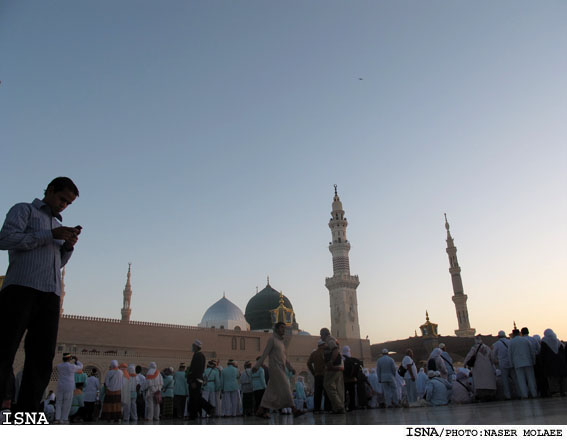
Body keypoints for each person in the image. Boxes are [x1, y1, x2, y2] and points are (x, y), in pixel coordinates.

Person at [0, 177, 81, 412]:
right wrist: (49, 235)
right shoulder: (24, 210)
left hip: (50, 294)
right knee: (5, 350)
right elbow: (5, 239)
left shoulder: (57, 224)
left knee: (41, 360)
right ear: (50, 190)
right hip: (21, 288)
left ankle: (27, 416)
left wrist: (67, 246)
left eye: (69, 203)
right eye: (62, 199)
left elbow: (58, 263)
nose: (63, 205)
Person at [253, 322, 304, 418]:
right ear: (276, 329)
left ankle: (260, 410)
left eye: (284, 328)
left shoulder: (281, 342)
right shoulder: (272, 340)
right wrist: (257, 366)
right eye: (281, 328)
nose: (283, 330)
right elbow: (265, 354)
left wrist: (290, 368)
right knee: (286, 387)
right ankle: (294, 409)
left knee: (270, 391)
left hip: (281, 368)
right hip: (275, 369)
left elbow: (285, 358)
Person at [187, 340, 215, 420]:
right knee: (194, 398)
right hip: (197, 379)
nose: (192, 347)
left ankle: (209, 408)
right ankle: (193, 415)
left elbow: (196, 369)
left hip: (195, 380)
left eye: (193, 346)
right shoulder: (198, 355)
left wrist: (192, 380)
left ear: (196, 346)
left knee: (196, 398)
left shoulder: (198, 356)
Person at [320, 327, 345, 414]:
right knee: (338, 387)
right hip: (339, 367)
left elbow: (335, 350)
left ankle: (339, 406)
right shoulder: (333, 339)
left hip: (333, 367)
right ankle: (339, 407)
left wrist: (331, 361)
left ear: (324, 334)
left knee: (327, 385)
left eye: (321, 335)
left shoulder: (329, 340)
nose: (320, 337)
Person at [464, 335, 496, 401]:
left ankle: (481, 396)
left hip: (478, 368)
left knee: (480, 382)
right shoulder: (487, 348)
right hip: (488, 367)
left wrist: (465, 363)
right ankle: (490, 395)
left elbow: (469, 356)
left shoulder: (474, 348)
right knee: (488, 381)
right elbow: (492, 358)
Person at [508, 328, 537, 399]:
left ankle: (524, 395)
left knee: (521, 380)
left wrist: (511, 364)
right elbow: (531, 351)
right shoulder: (525, 340)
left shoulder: (511, 342)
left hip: (517, 363)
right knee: (531, 379)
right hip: (528, 362)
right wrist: (533, 361)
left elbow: (509, 354)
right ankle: (534, 394)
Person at [55, 354, 83, 423]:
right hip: (69, 387)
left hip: (60, 386)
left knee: (59, 402)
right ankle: (64, 418)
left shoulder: (59, 366)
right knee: (67, 403)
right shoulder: (71, 366)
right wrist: (77, 360)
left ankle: (57, 418)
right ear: (69, 359)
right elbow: (80, 367)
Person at [539, 329, 567, 396]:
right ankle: (564, 391)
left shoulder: (544, 342)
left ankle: (555, 392)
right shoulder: (558, 341)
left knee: (553, 378)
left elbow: (542, 354)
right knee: (562, 378)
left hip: (550, 363)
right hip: (561, 362)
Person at [306, 340, 331, 412]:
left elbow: (308, 363)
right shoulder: (325, 353)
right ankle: (327, 408)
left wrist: (313, 372)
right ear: (322, 345)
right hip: (325, 375)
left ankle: (317, 409)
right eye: (324, 345)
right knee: (326, 392)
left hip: (317, 375)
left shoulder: (314, 354)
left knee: (317, 393)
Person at [492, 330, 514, 400]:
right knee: (514, 379)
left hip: (502, 364)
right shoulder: (510, 342)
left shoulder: (496, 344)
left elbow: (493, 355)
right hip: (511, 363)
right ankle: (518, 393)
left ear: (498, 336)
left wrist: (496, 361)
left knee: (505, 381)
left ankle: (508, 396)